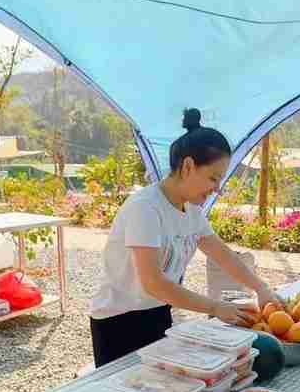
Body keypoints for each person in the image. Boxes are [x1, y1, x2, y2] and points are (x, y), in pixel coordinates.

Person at [90, 108, 279, 367]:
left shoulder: (191, 211)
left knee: (164, 389)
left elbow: (222, 254)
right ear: (188, 166)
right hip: (119, 321)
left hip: (158, 311)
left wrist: (262, 289)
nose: (218, 189)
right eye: (213, 178)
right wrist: (214, 308)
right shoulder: (146, 208)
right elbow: (153, 283)